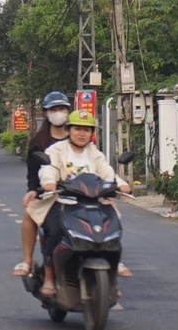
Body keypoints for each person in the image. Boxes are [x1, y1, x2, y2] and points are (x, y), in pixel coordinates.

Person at [31, 110, 132, 298]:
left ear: (92, 133)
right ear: (69, 130)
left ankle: (112, 272)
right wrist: (49, 183)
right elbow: (49, 168)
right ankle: (50, 278)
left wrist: (121, 185)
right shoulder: (56, 150)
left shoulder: (94, 153)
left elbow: (107, 173)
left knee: (113, 226)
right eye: (77, 128)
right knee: (55, 230)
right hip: (64, 201)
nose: (81, 133)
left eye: (86, 130)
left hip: (94, 200)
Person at [16, 92, 74, 279]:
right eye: (53, 109)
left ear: (68, 111)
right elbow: (33, 175)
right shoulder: (38, 143)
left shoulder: (78, 138)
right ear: (46, 113)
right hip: (50, 194)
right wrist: (33, 191)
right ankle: (27, 260)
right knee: (30, 212)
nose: (58, 113)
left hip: (80, 193)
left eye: (62, 109)